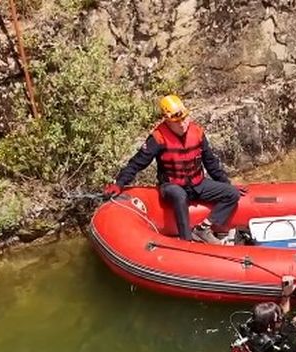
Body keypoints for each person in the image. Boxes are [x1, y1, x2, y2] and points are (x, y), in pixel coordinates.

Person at [104, 95, 244, 244]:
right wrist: (119, 183)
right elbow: (137, 163)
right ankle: (186, 241)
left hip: (197, 184)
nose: (183, 124)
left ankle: (202, 229)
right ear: (167, 120)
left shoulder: (197, 132)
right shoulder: (158, 138)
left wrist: (225, 183)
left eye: (185, 119)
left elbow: (211, 162)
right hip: (171, 187)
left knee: (232, 194)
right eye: (177, 122)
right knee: (179, 195)